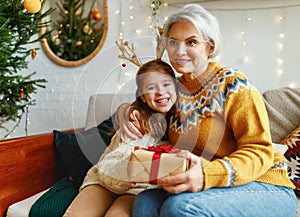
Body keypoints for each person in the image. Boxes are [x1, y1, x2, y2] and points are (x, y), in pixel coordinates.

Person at [116, 4, 298, 217]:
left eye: (191, 42)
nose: (179, 51)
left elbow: (260, 150)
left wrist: (206, 174)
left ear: (210, 47)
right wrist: (125, 113)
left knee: (180, 207)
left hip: (265, 185)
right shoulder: (173, 92)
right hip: (215, 186)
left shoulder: (233, 85)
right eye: (173, 42)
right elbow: (146, 111)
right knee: (145, 202)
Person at [63, 59, 178, 217]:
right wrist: (141, 167)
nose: (160, 91)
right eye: (151, 87)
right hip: (104, 182)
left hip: (137, 190)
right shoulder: (135, 121)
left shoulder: (181, 123)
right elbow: (107, 170)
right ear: (143, 97)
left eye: (166, 84)